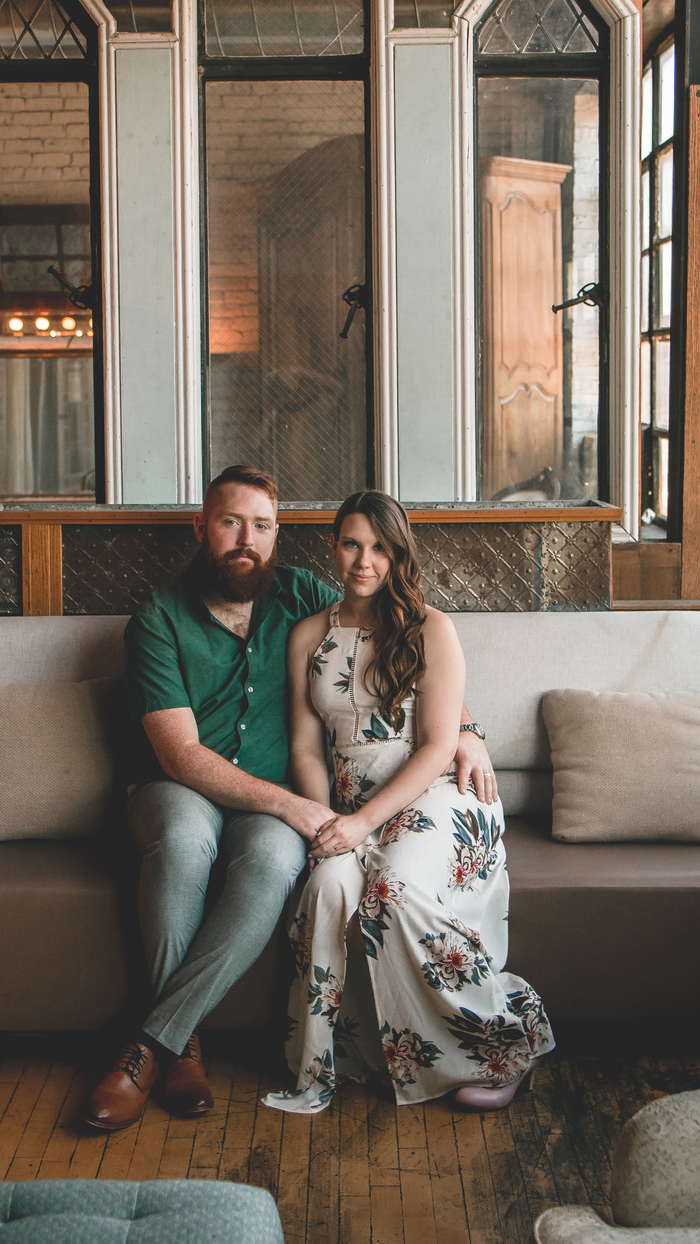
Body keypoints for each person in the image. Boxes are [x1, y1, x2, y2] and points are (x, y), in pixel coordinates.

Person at [83, 466, 493, 1132]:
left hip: (270, 804)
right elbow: (180, 755)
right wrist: (299, 807)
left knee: (276, 866)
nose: (247, 539)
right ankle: (180, 1047)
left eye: (263, 526)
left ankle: (150, 1044)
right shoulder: (157, 618)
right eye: (230, 522)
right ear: (201, 527)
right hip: (179, 788)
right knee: (186, 843)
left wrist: (466, 729)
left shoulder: (303, 598)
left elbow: (395, 643)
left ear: (278, 535)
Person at [262, 490, 553, 1116]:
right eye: (351, 544)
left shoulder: (430, 628)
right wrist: (328, 826)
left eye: (380, 548)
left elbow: (437, 745)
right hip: (346, 806)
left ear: (399, 555)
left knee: (389, 885)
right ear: (331, 547)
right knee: (333, 884)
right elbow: (306, 747)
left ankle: (503, 1048)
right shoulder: (307, 636)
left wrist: (367, 821)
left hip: (440, 795)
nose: (364, 561)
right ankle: (330, 1062)